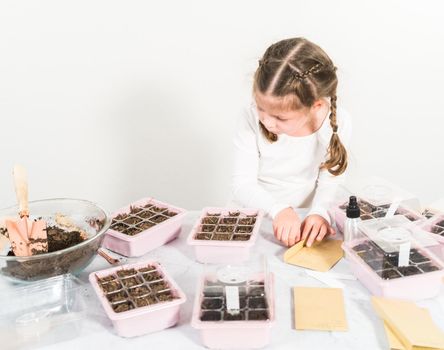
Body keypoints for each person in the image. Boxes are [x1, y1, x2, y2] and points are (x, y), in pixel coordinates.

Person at [231, 37, 351, 248]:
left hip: (304, 222)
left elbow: (330, 179)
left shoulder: (338, 121)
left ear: (315, 106)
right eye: (261, 108)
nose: (267, 122)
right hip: (252, 218)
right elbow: (242, 185)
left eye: (281, 118)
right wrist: (278, 210)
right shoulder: (249, 117)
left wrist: (320, 212)